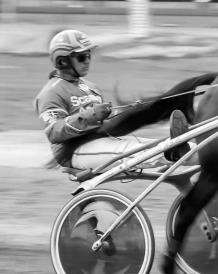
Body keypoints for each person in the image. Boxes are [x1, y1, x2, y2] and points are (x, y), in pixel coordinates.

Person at [34, 29, 191, 171]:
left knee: (156, 144)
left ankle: (188, 149)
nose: (88, 60)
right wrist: (89, 116)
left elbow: (102, 122)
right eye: (82, 57)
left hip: (100, 140)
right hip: (75, 151)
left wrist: (123, 112)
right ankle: (173, 150)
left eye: (89, 55)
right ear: (62, 62)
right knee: (135, 150)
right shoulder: (51, 92)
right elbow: (54, 132)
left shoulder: (90, 87)